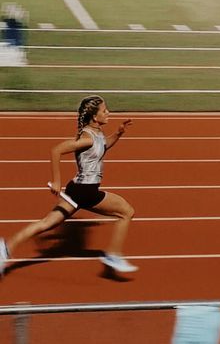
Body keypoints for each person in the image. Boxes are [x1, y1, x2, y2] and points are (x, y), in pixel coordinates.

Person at [0, 95, 138, 275]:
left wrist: (118, 133)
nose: (108, 112)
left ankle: (5, 247)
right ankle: (113, 254)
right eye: (105, 110)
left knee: (46, 223)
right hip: (86, 191)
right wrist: (56, 180)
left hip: (76, 189)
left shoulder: (95, 133)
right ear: (95, 117)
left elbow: (103, 146)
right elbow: (56, 150)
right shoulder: (87, 138)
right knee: (127, 212)